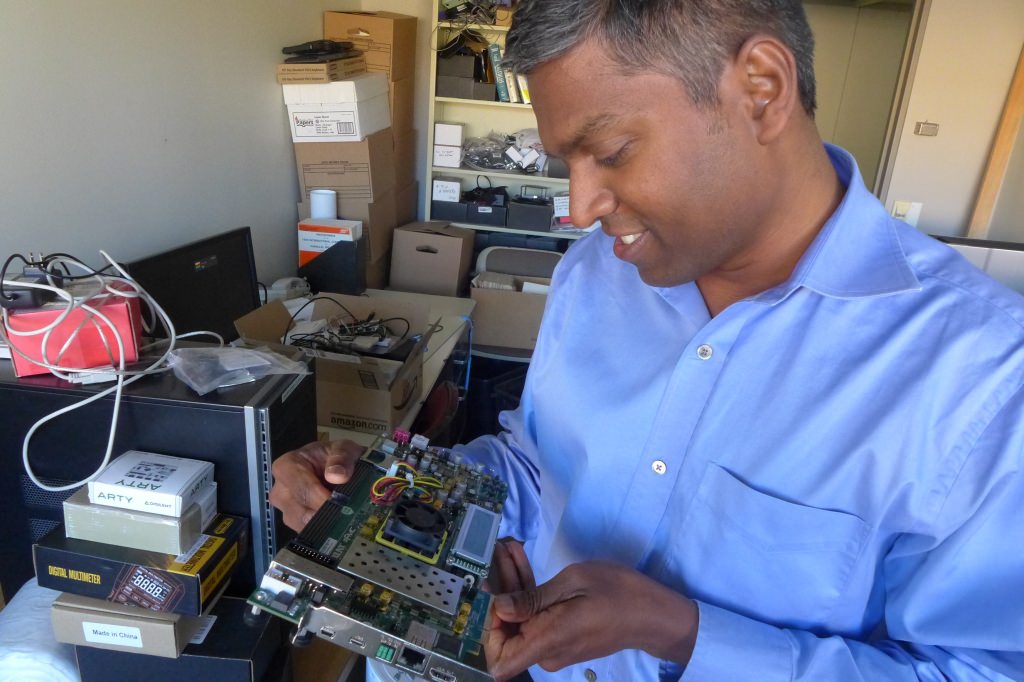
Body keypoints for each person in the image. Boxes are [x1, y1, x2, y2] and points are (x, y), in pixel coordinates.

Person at [270, 1, 1024, 680]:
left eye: (613, 150)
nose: (579, 207)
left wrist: (681, 632)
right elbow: (540, 466)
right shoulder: (596, 274)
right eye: (566, 164)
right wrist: (389, 492)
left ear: (761, 88)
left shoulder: (983, 378)